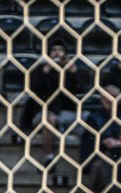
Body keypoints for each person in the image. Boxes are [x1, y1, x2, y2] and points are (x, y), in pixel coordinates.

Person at [20, 38, 88, 166]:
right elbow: (33, 89)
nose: (57, 53)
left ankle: (86, 161)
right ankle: (49, 157)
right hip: (44, 113)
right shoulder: (40, 70)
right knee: (48, 118)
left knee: (90, 118)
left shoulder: (71, 70)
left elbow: (81, 91)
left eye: (60, 50)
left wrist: (73, 72)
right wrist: (47, 68)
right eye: (54, 50)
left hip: (67, 113)